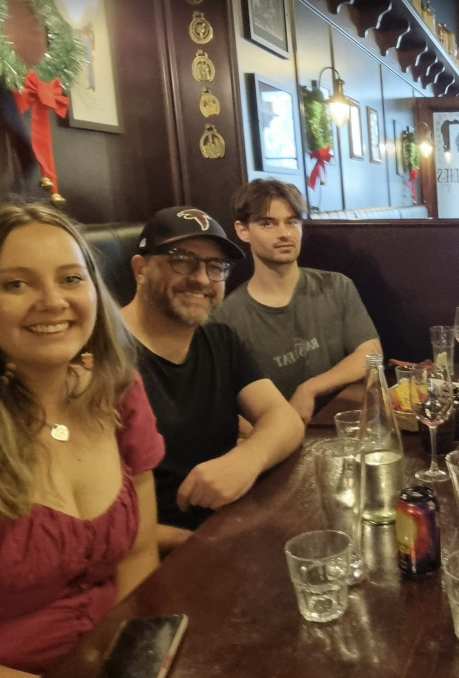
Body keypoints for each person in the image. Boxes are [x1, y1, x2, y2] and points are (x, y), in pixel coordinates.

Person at [0, 203, 163, 675]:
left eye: (71, 278)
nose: (52, 301)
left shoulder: (120, 393)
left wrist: (133, 659)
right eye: (15, 283)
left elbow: (138, 555)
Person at [121, 206, 303, 553]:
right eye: (182, 260)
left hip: (228, 527)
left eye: (215, 266)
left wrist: (247, 459)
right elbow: (87, 517)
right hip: (151, 558)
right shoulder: (100, 359)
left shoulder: (219, 340)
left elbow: (284, 419)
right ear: (141, 269)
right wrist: (193, 543)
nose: (203, 279)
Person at [209, 179, 380, 422]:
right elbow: (227, 407)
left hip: (343, 425)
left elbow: (371, 354)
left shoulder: (336, 286)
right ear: (242, 230)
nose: (284, 233)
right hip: (279, 440)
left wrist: (310, 388)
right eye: (268, 223)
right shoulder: (225, 320)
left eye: (292, 221)